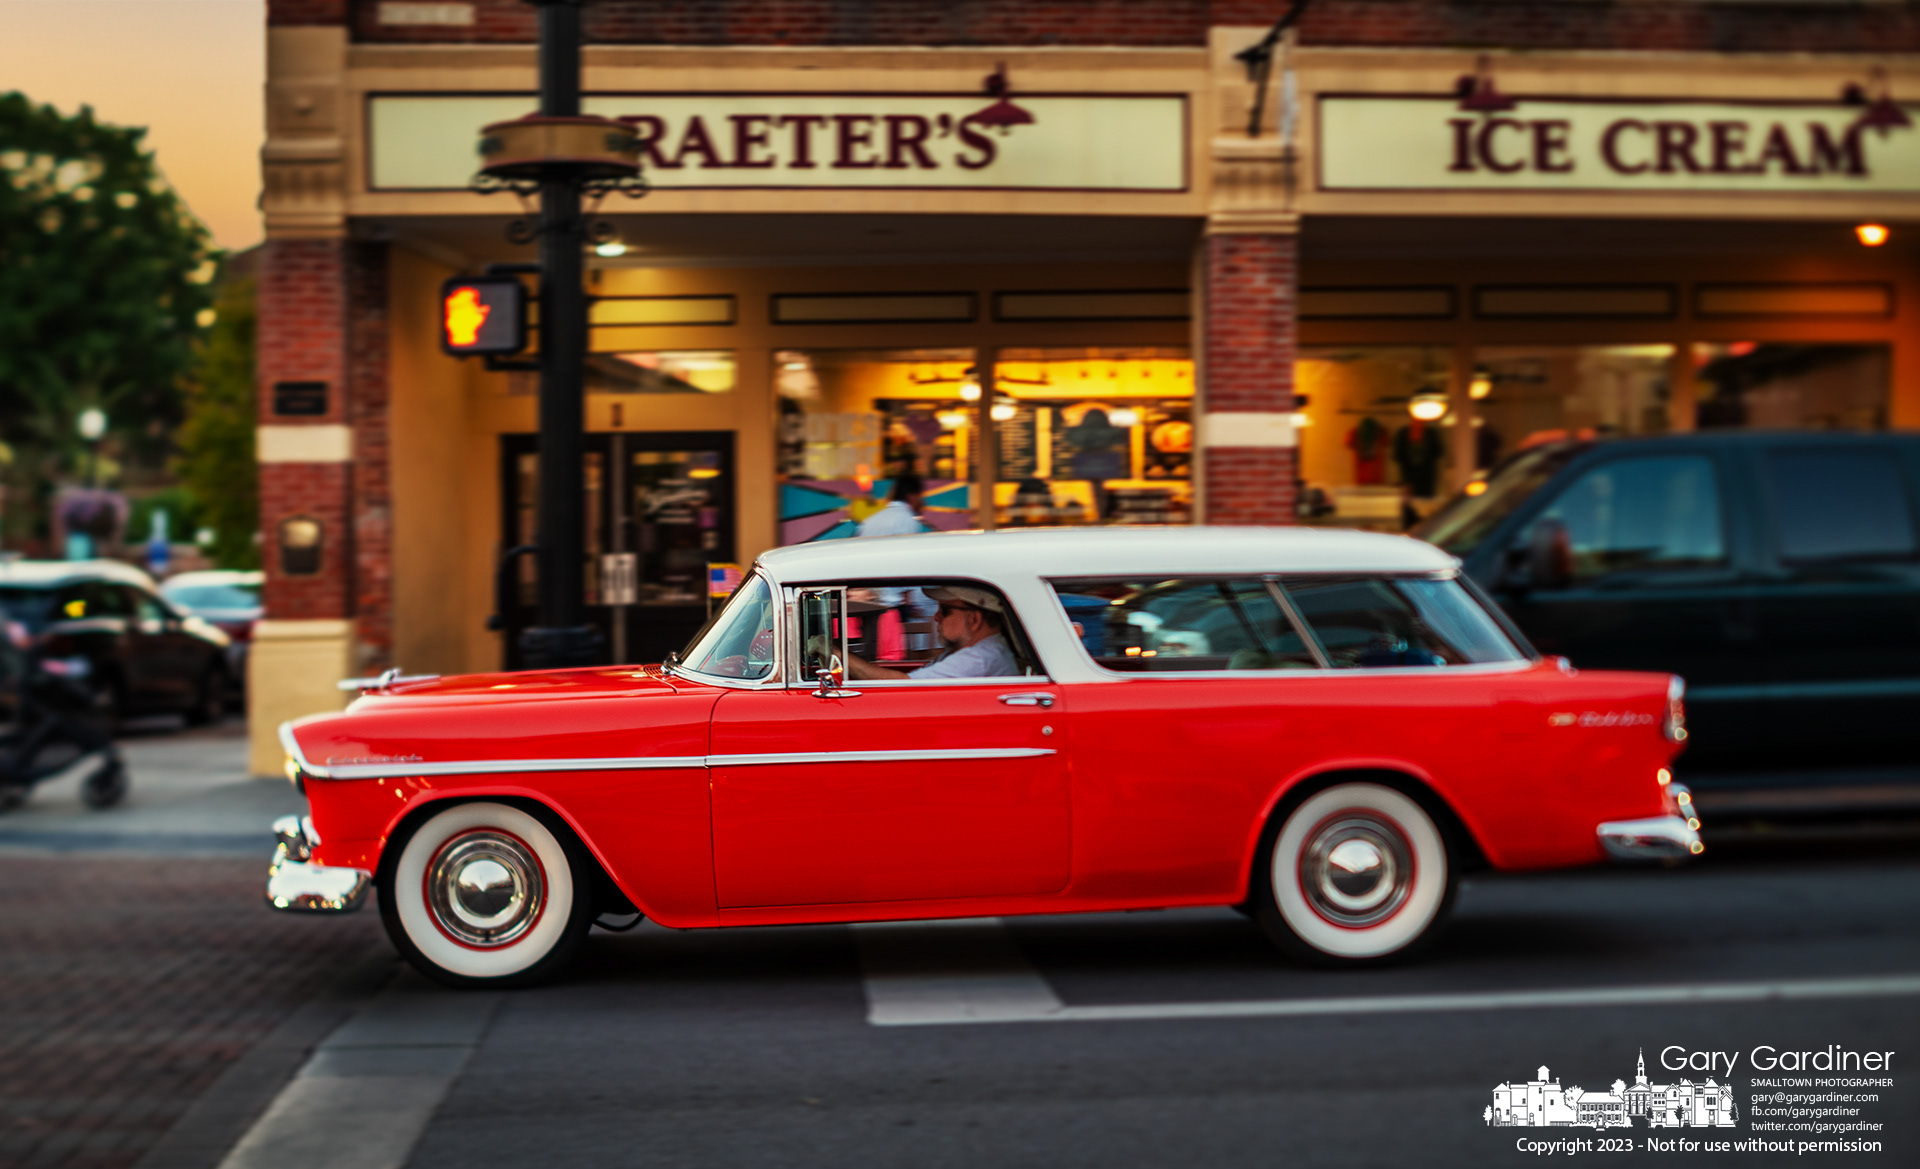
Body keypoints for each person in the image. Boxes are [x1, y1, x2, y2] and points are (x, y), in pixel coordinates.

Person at [817, 586, 1020, 681]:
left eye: (945, 611)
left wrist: (836, 653)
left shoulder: (979, 658)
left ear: (974, 620)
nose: (936, 617)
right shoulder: (981, 651)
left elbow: (902, 687)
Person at [858, 472, 926, 537]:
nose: (923, 502)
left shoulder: (869, 520)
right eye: (920, 496)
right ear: (911, 496)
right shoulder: (908, 521)